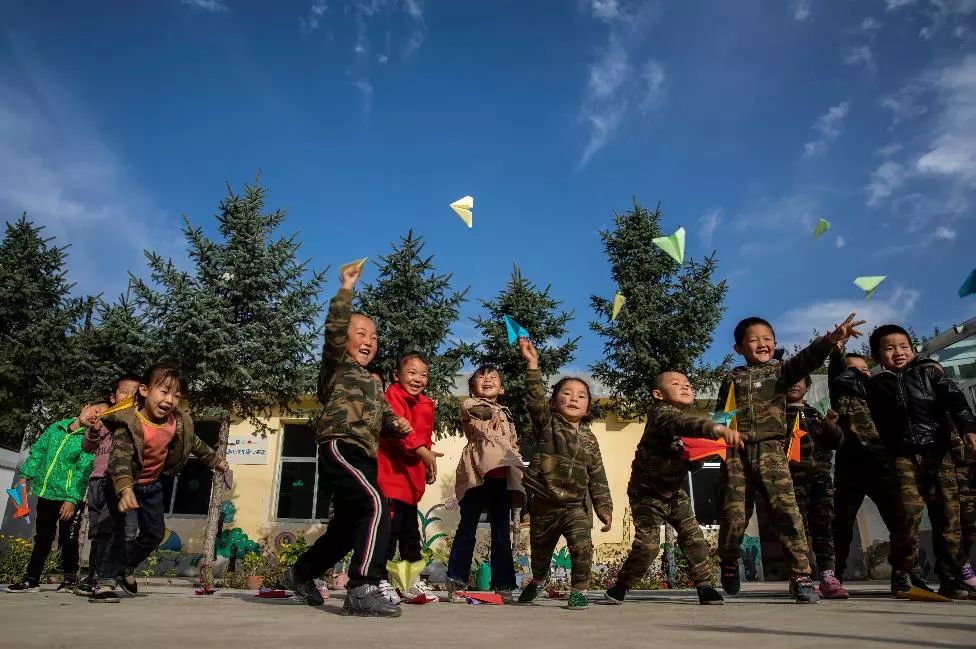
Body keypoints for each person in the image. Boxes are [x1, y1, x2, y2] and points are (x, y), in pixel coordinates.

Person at [281, 263, 412, 618]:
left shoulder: (374, 380)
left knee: (344, 531)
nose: (369, 340)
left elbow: (382, 414)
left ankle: (300, 573)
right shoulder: (337, 365)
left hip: (364, 453)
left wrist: (396, 423)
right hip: (340, 445)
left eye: (374, 336)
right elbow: (334, 331)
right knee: (377, 504)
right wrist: (346, 290)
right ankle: (364, 585)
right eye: (361, 333)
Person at [716, 313, 863, 603]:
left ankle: (801, 575)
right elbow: (722, 414)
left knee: (787, 511)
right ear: (739, 349)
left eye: (768, 339)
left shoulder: (781, 371)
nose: (762, 344)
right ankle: (730, 560)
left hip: (772, 450)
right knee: (734, 516)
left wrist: (831, 339)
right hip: (738, 452)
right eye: (754, 339)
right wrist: (720, 430)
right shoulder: (732, 378)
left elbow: (807, 359)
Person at [605, 371, 741, 606]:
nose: (685, 387)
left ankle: (705, 587)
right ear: (658, 394)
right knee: (647, 546)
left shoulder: (686, 426)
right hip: (646, 493)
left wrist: (698, 455)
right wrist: (715, 430)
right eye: (676, 384)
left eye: (688, 384)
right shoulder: (661, 414)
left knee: (693, 538)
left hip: (674, 492)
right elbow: (682, 423)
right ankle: (621, 586)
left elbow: (691, 461)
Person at [97, 363, 229, 601]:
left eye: (176, 395)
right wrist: (125, 489)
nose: (170, 400)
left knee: (154, 534)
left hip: (151, 486)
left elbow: (195, 444)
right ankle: (105, 581)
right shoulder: (129, 423)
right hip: (122, 486)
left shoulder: (176, 423)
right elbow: (119, 460)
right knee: (123, 532)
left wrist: (216, 461)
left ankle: (126, 567)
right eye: (164, 392)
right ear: (145, 391)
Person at [867, 324, 976, 599]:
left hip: (937, 454)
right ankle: (905, 573)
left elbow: (955, 399)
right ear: (878, 356)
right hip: (901, 457)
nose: (898, 352)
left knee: (949, 517)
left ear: (913, 350)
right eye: (889, 348)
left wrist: (968, 426)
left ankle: (951, 577)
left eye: (904, 346)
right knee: (907, 516)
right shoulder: (877, 384)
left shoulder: (929, 373)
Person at [516, 338, 612, 611]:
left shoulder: (590, 440)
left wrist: (604, 508)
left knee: (582, 547)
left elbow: (598, 476)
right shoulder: (547, 424)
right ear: (554, 403)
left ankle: (579, 590)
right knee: (540, 553)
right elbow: (534, 400)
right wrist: (532, 364)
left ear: (588, 408)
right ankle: (538, 580)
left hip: (575, 506)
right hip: (544, 504)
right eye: (567, 393)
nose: (574, 398)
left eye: (581, 396)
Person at [829, 344, 917, 593]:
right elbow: (836, 372)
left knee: (900, 519)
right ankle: (834, 574)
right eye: (853, 370)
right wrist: (837, 352)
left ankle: (904, 573)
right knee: (842, 524)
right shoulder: (839, 390)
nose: (859, 374)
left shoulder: (881, 392)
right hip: (850, 464)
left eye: (865, 369)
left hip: (882, 462)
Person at [6, 401, 107, 593]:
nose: (95, 417)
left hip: (68, 498)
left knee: (68, 539)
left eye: (101, 417)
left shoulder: (89, 440)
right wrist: (24, 477)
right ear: (85, 407)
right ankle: (31, 579)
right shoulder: (56, 428)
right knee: (42, 537)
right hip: (45, 493)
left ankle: (69, 578)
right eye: (94, 411)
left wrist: (71, 499)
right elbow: (38, 451)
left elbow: (82, 472)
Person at [446, 365, 525, 604]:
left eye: (493, 378)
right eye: (481, 377)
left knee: (501, 531)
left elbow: (513, 443)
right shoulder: (470, 405)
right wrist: (491, 413)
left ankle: (504, 585)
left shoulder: (507, 414)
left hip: (501, 479)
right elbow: (476, 411)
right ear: (472, 389)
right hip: (476, 475)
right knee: (467, 528)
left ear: (502, 389)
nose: (487, 379)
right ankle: (457, 580)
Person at [377, 352, 441, 605]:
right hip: (391, 476)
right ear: (396, 375)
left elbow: (423, 438)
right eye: (411, 373)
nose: (418, 379)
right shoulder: (392, 396)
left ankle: (408, 582)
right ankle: (378, 579)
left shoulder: (425, 403)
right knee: (388, 533)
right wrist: (423, 452)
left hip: (410, 479)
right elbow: (400, 431)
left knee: (410, 534)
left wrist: (427, 462)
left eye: (423, 374)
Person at [74, 375, 141, 599]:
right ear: (113, 397)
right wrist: (92, 429)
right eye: (123, 392)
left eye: (134, 393)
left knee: (124, 530)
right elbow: (86, 447)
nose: (129, 396)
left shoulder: (137, 419)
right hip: (98, 481)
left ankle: (113, 572)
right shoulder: (103, 418)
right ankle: (94, 576)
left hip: (121, 483)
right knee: (100, 532)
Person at [784, 376, 846, 598]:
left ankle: (828, 575)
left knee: (824, 525)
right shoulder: (775, 415)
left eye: (800, 380)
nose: (794, 383)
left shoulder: (816, 414)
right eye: (790, 379)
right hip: (789, 478)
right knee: (795, 528)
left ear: (808, 386)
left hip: (820, 477)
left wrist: (832, 428)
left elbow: (836, 443)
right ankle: (800, 575)